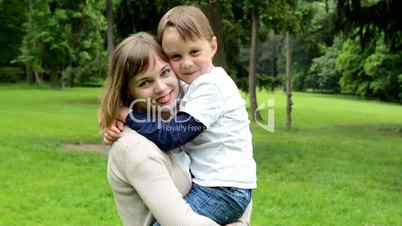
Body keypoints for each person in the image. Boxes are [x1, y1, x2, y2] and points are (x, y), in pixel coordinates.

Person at [106, 5, 257, 226]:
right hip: (225, 186)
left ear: (213, 46)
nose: (186, 63)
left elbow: (170, 136)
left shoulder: (210, 87)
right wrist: (114, 124)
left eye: (194, 52)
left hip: (223, 188)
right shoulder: (195, 87)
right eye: (176, 56)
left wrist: (127, 115)